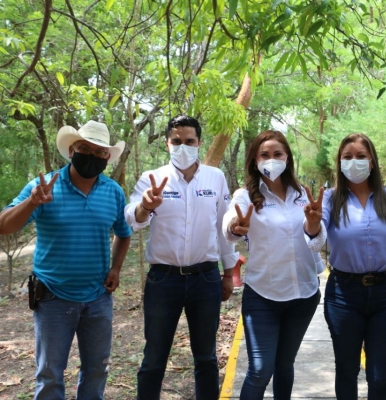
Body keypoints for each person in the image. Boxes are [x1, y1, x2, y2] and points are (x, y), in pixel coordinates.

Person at [0, 121, 132, 399]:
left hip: (98, 298)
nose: (92, 156)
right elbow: (4, 225)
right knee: (49, 374)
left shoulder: (113, 192)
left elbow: (123, 233)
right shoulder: (43, 187)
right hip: (52, 298)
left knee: (97, 369)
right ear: (72, 150)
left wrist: (117, 269)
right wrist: (32, 202)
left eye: (100, 152)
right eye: (85, 149)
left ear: (107, 158)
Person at [125, 115, 238, 400]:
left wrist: (228, 273)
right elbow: (132, 221)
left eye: (189, 141)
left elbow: (222, 227)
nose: (183, 147)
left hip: (206, 278)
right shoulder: (152, 179)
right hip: (164, 280)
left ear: (200, 143)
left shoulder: (216, 177)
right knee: (154, 358)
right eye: (177, 141)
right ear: (167, 143)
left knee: (206, 358)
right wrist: (145, 207)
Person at [321, 133, 386, 400]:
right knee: (346, 370)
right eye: (347, 157)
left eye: (360, 156)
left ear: (372, 162)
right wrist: (311, 225)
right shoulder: (330, 200)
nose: (354, 162)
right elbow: (316, 237)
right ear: (339, 162)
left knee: (379, 376)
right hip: (344, 296)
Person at [222, 130, 325, 400]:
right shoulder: (246, 196)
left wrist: (314, 227)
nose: (271, 160)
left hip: (303, 295)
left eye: (277, 154)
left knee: (284, 365)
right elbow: (230, 227)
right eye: (264, 155)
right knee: (259, 369)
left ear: (287, 158)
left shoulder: (303, 193)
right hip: (263, 297)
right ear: (255, 161)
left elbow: (315, 242)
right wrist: (235, 225)